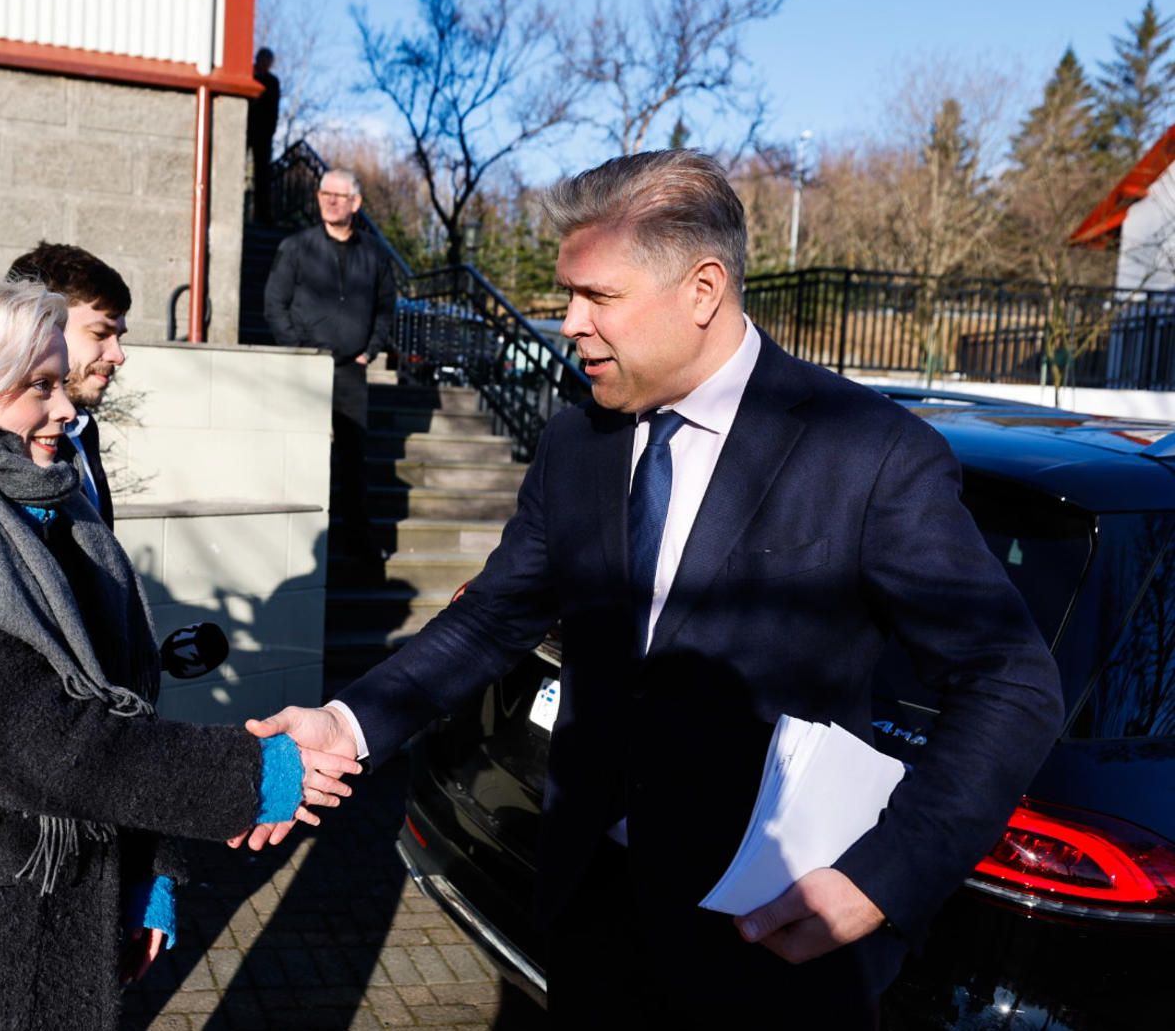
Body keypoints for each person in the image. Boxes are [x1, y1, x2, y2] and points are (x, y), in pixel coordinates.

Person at [247, 151, 1066, 1025]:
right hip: (586, 908)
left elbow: (1010, 684)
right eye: (568, 295)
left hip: (770, 941)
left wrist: (883, 877)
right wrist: (346, 719)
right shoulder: (577, 443)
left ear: (703, 290)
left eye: (597, 297)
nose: (567, 323)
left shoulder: (866, 453)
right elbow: (494, 615)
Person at [0, 280, 358, 1031]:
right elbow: (39, 743)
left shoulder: (54, 516)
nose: (66, 408)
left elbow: (120, 702)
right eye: (39, 386)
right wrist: (259, 773)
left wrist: (148, 873)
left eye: (61, 383)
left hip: (72, 900)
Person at [263, 167, 396, 559]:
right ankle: (298, 541)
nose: (330, 200)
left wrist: (370, 349)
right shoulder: (296, 246)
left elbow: (387, 308)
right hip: (305, 367)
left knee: (354, 457)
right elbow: (275, 304)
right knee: (301, 451)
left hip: (351, 371)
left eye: (339, 196)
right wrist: (299, 348)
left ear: (355, 203)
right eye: (324, 194)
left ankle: (357, 543)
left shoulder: (374, 253)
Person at [7, 242, 131, 528]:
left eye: (119, 337)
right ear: (43, 324)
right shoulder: (6, 443)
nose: (118, 355)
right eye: (100, 334)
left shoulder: (82, 428)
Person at [247, 47, 280, 224]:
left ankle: (262, 215)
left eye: (269, 61)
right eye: (263, 60)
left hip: (264, 134)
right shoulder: (248, 75)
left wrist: (270, 131)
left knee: (262, 175)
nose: (266, 64)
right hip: (246, 129)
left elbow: (274, 109)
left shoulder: (273, 82)